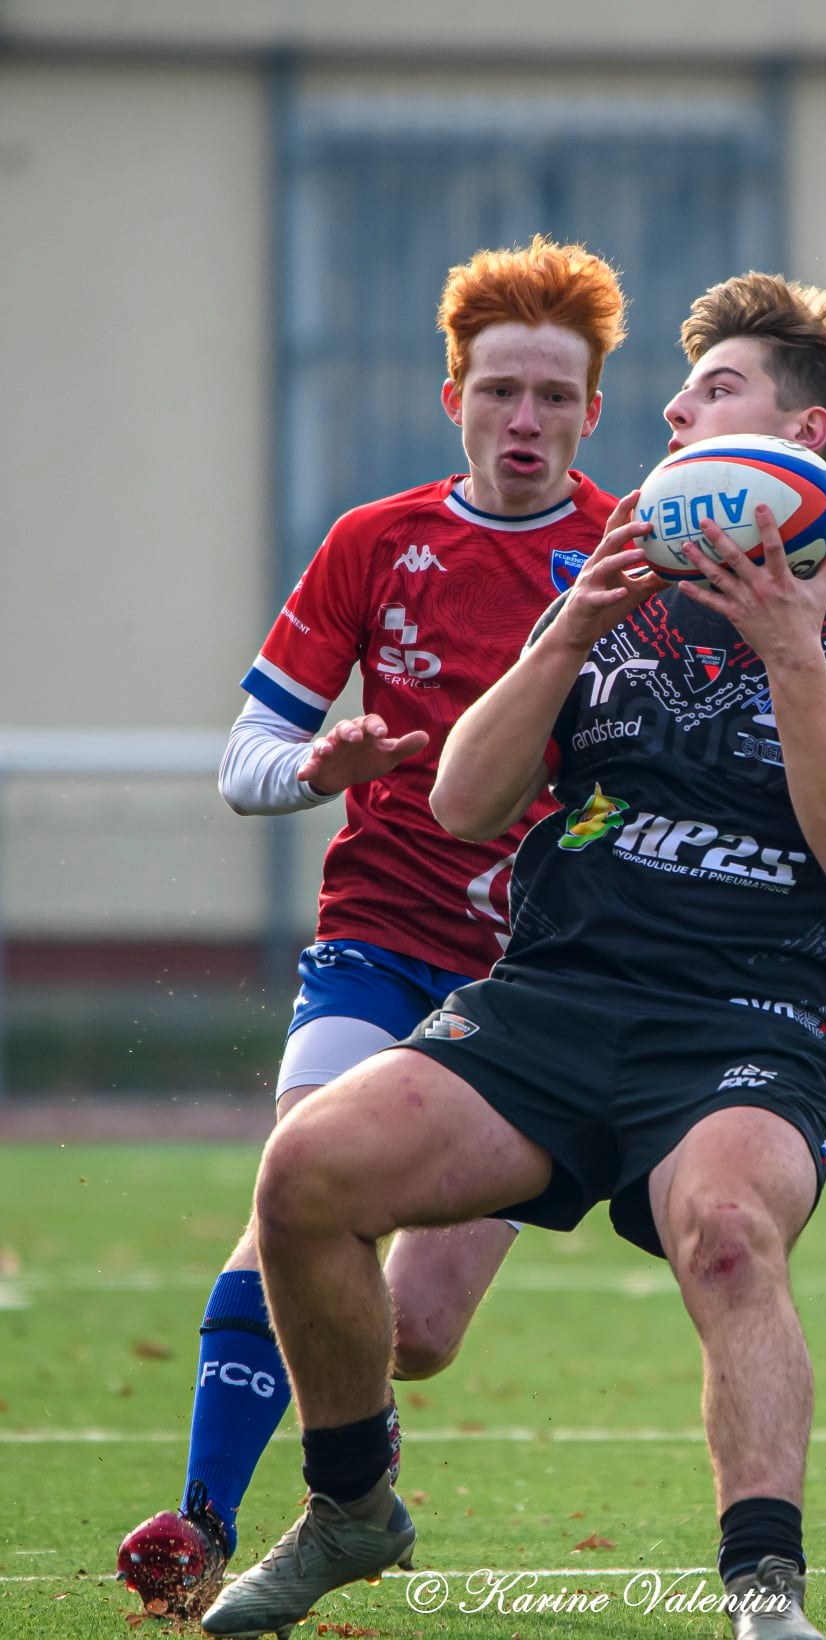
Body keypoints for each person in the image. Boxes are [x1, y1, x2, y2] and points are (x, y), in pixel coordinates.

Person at [200, 273, 826, 1640]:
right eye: (682, 391)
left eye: (715, 388)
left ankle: (765, 1597)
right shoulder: (614, 595)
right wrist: (570, 628)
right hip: (549, 1003)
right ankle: (352, 1510)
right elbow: (463, 803)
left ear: (804, 438)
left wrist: (793, 653)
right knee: (305, 1175)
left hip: (747, 1025)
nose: (673, 412)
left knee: (729, 1234)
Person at [115, 234, 627, 1619]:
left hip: (536, 980)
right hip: (379, 942)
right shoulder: (374, 542)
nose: (525, 419)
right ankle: (204, 1523)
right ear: (453, 394)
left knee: (416, 1333)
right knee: (294, 1192)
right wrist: (316, 768)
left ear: (593, 413)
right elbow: (246, 763)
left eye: (556, 397)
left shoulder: (628, 560)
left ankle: (360, 1458)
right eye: (501, 390)